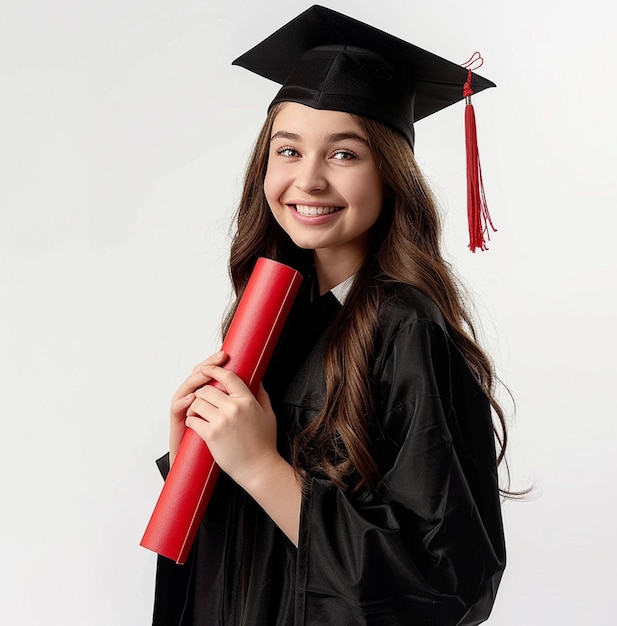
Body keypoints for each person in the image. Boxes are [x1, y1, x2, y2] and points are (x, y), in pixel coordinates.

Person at [151, 5, 506, 625]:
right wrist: (199, 456)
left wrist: (261, 466)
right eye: (287, 150)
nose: (307, 180)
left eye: (344, 154)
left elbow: (448, 583)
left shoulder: (407, 330)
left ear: (391, 175)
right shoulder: (271, 317)